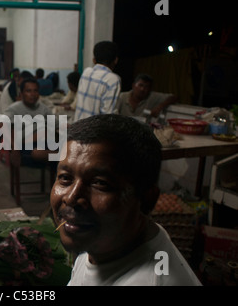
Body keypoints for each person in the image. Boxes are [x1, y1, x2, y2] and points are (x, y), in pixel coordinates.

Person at [50, 114, 202, 286]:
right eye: (65, 178)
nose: (71, 198)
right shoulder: (105, 239)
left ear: (147, 200)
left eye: (100, 183)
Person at [2, 77, 56, 165]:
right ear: (22, 93)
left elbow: (57, 124)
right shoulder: (14, 108)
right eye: (28, 91)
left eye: (35, 91)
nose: (33, 94)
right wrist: (14, 147)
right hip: (24, 147)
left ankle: (60, 158)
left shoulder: (43, 108)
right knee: (37, 152)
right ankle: (62, 156)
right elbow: (2, 124)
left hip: (43, 144)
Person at [74, 41, 121, 121]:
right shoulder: (113, 80)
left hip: (78, 127)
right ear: (116, 60)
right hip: (94, 131)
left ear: (94, 60)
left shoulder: (86, 72)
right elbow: (108, 115)